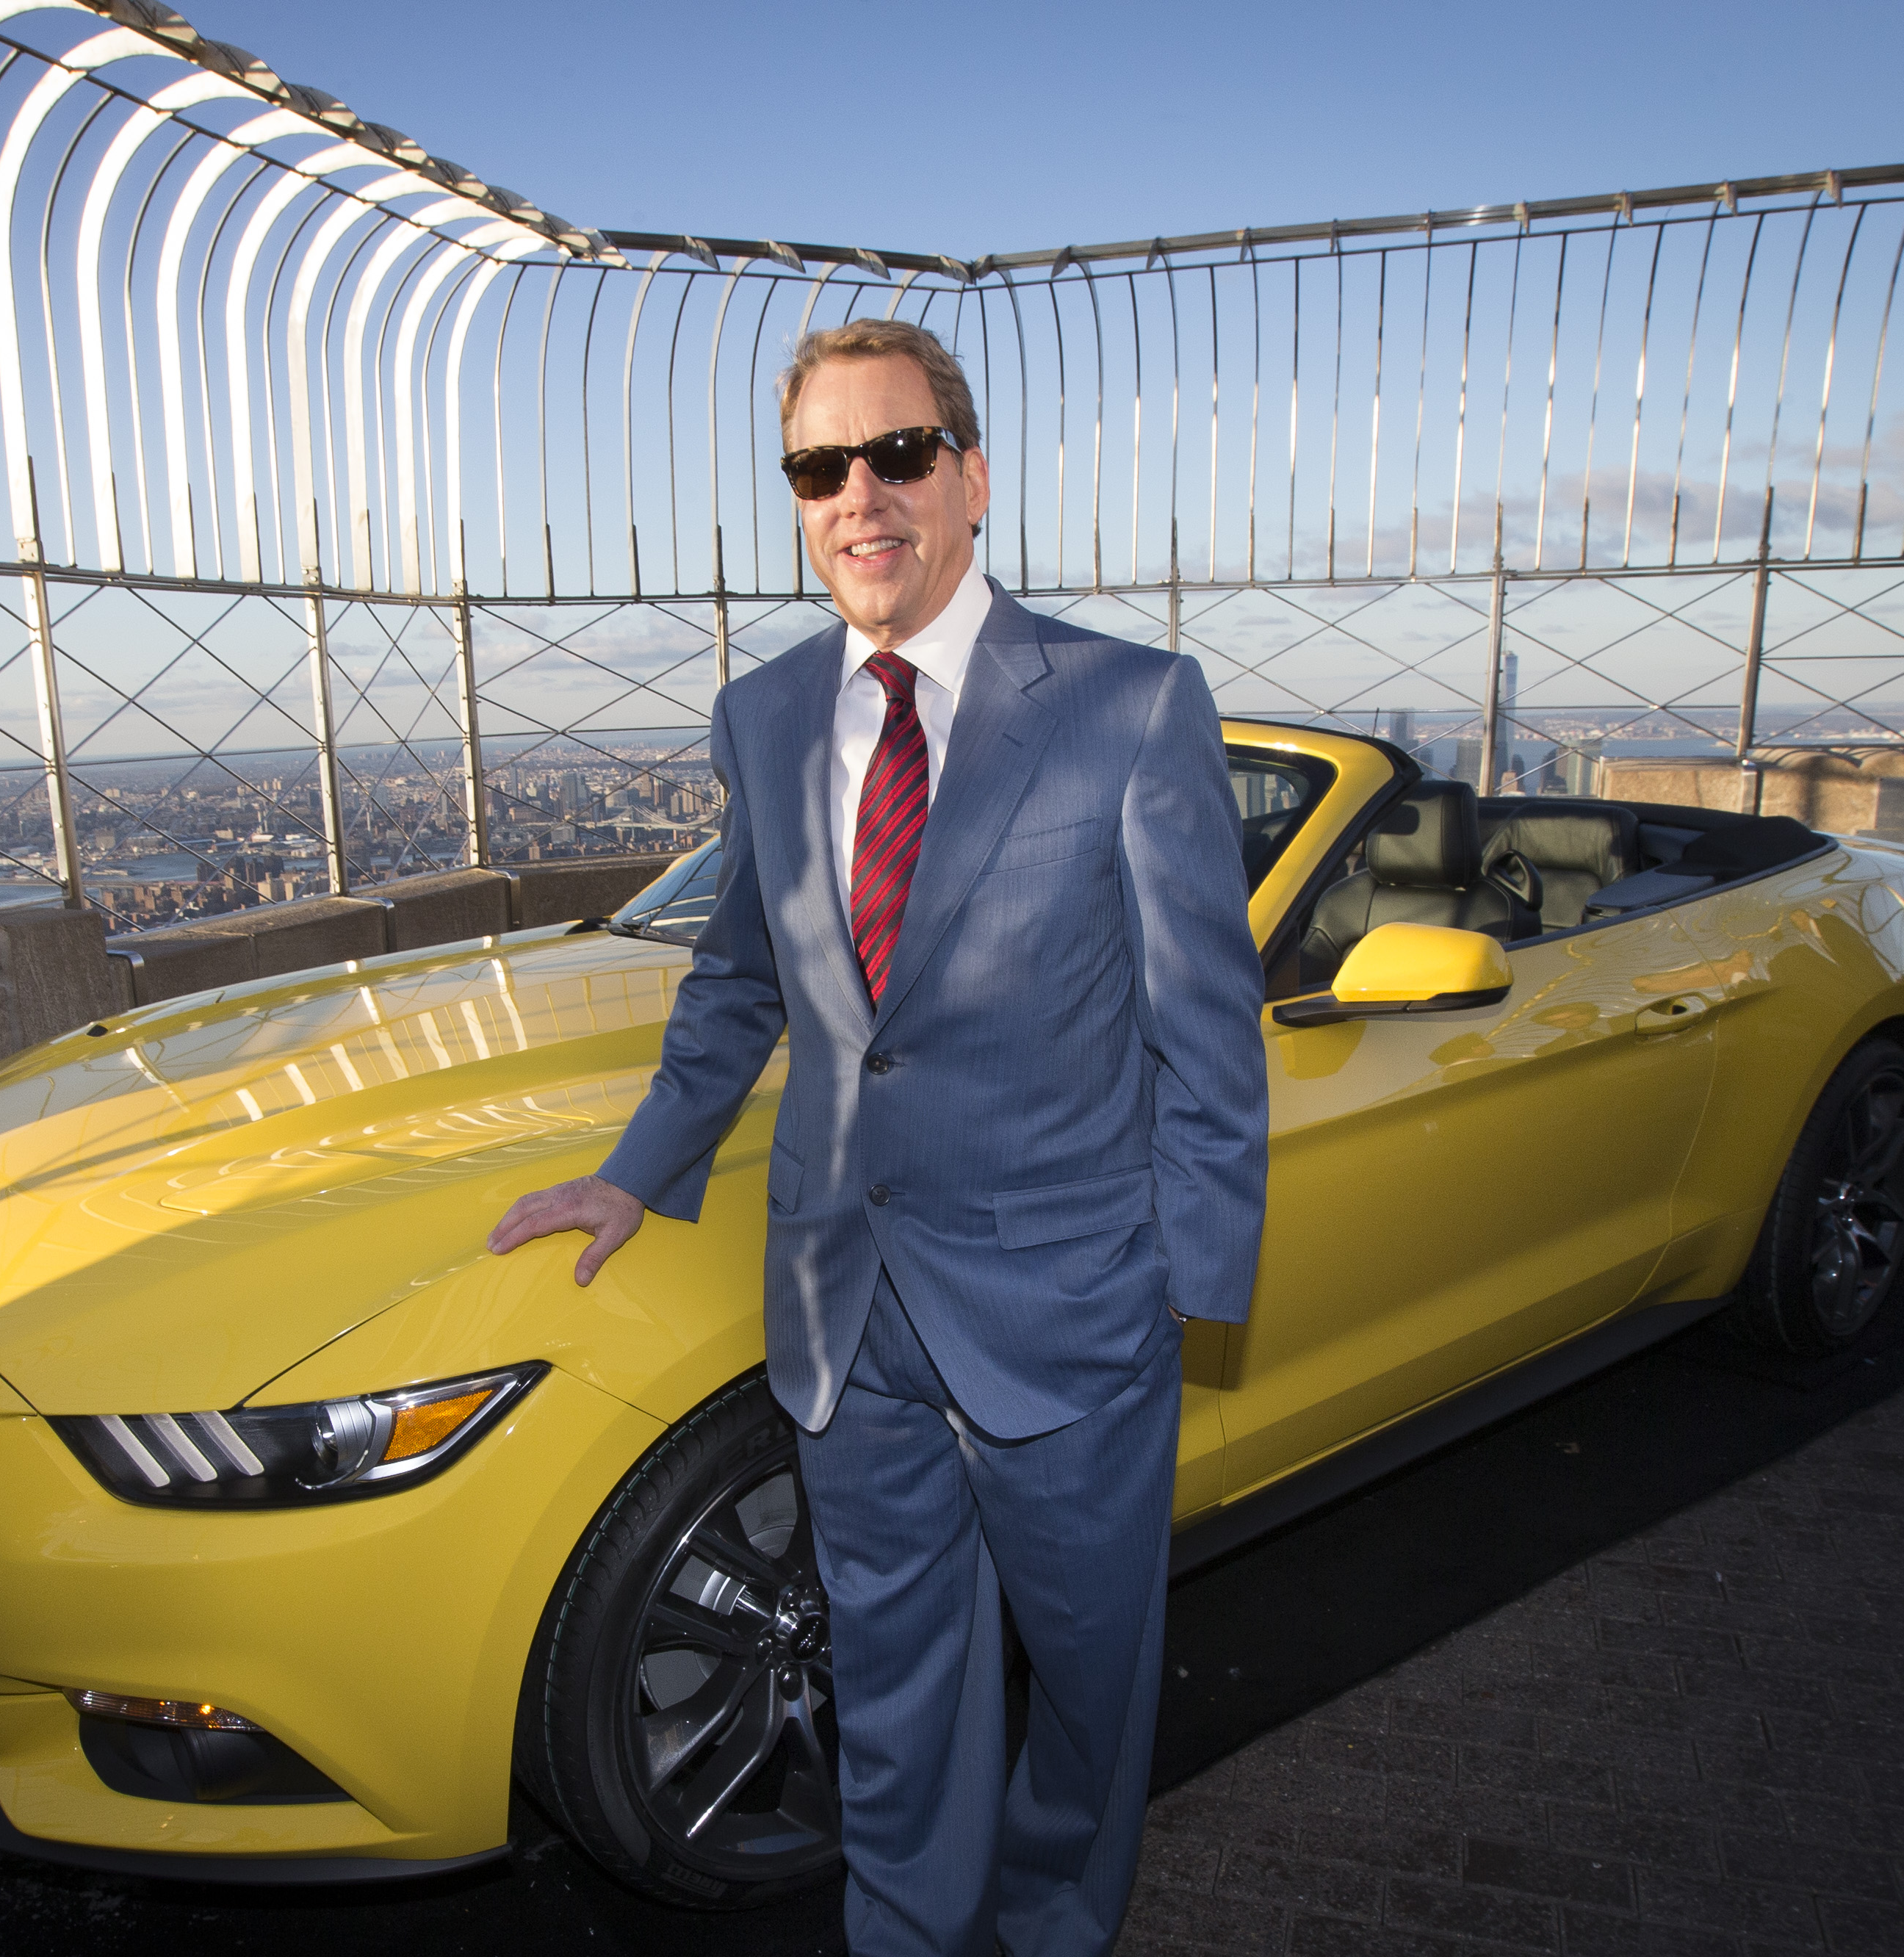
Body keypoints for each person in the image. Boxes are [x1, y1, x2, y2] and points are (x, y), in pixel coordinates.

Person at [487, 318, 1268, 1957]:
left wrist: (1182, 1291)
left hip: (1071, 1317)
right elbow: (741, 976)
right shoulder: (766, 715)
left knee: (1091, 1687)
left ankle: (1054, 1924)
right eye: (820, 467)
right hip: (845, 1309)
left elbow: (1207, 1030)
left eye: (899, 454)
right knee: (895, 1689)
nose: (861, 494)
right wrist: (636, 1171)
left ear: (971, 479)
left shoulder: (1131, 707)